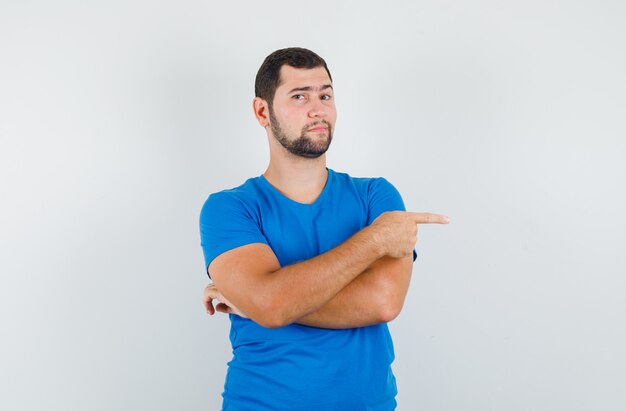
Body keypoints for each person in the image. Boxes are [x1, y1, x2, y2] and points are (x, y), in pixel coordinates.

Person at [199, 47, 449, 411]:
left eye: (325, 95)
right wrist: (374, 240)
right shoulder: (230, 207)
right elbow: (271, 304)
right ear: (262, 111)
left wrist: (257, 301)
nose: (317, 109)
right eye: (299, 96)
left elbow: (382, 301)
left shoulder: (375, 195)